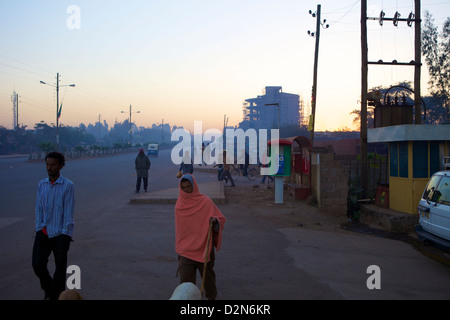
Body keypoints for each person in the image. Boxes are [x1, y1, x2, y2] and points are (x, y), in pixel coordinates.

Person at [175, 174, 226, 300]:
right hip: (186, 251)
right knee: (186, 284)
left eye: (189, 187)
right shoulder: (179, 205)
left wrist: (215, 222)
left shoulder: (205, 201)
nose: (186, 190)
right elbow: (181, 230)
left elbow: (221, 219)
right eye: (183, 187)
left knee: (208, 281)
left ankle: (211, 298)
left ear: (194, 186)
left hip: (204, 248)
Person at [32, 151, 75, 300]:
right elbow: (38, 208)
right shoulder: (41, 184)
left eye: (53, 165)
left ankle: (57, 296)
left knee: (60, 271)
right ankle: (51, 290)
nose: (49, 168)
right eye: (47, 165)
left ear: (61, 166)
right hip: (43, 232)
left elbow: (68, 211)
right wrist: (38, 226)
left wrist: (65, 233)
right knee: (37, 264)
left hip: (60, 234)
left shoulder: (68, 185)